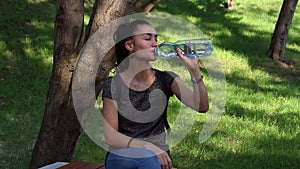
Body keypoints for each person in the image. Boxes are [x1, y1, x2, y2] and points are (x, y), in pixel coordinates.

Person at [102, 20, 209, 169]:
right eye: (148, 38)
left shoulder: (166, 79)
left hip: (158, 158)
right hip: (123, 156)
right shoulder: (114, 84)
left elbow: (202, 106)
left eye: (156, 39)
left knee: (149, 161)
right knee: (146, 158)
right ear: (130, 46)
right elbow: (111, 136)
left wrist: (194, 70)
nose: (155, 44)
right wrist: (147, 146)